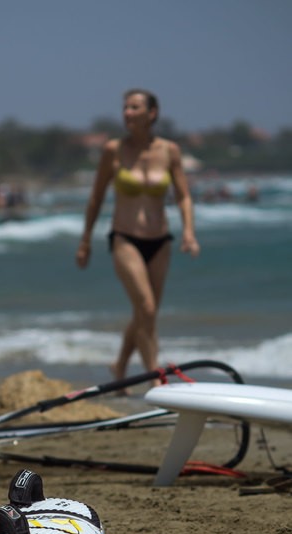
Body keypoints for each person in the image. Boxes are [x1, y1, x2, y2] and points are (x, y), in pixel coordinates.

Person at [76, 89, 200, 385]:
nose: (127, 113)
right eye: (125, 108)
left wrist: (189, 232)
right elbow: (95, 198)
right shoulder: (113, 150)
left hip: (160, 241)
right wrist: (85, 241)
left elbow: (183, 196)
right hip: (125, 238)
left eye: (134, 107)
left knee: (147, 312)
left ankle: (119, 367)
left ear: (152, 113)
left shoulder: (169, 151)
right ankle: (155, 376)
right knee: (145, 307)